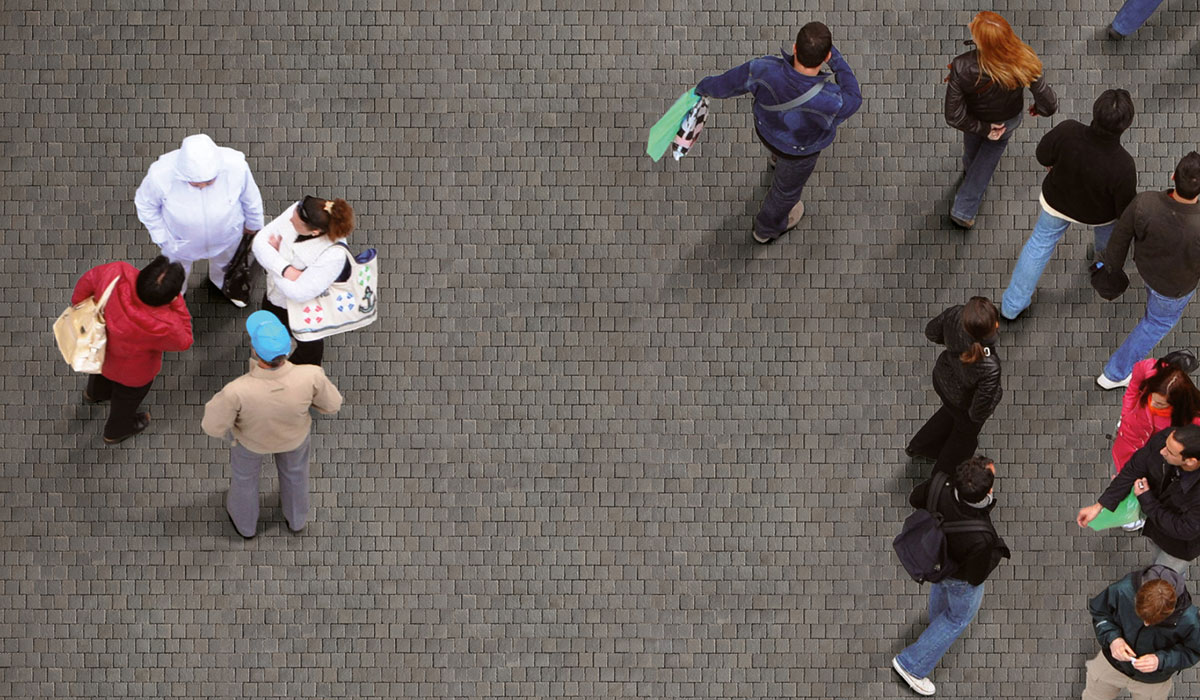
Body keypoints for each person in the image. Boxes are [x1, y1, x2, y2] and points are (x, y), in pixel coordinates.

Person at [693, 21, 861, 244]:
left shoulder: (764, 68)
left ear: (794, 48)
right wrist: (836, 60)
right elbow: (854, 98)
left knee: (777, 152)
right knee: (785, 192)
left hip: (767, 131)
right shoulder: (831, 99)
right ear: (824, 58)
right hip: (799, 152)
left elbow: (727, 83)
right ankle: (766, 229)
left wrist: (703, 87)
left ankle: (775, 159)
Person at [201, 311, 343, 539]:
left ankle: (245, 525)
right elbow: (333, 404)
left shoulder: (236, 390)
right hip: (295, 438)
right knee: (296, 475)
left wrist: (230, 431)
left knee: (245, 480)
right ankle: (296, 519)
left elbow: (212, 426)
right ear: (288, 348)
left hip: (250, 443)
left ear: (255, 351)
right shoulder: (311, 375)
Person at [1000, 89, 1137, 321]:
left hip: (1057, 202)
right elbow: (1123, 209)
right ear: (1125, 125)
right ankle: (1099, 266)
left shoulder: (1068, 130)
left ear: (1095, 111)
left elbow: (1043, 155)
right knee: (1107, 244)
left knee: (1039, 246)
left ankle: (1012, 306)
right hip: (1099, 215)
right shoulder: (1123, 165)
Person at [892, 456, 1011, 697]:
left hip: (935, 559)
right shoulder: (982, 535)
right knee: (957, 618)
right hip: (958, 576)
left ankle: (936, 628)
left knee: (941, 595)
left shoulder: (939, 484)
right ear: (987, 492)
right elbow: (976, 576)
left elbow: (916, 497)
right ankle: (911, 665)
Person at [1095, 153, 1200, 390]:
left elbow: (1119, 239)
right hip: (1175, 288)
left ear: (1173, 176)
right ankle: (1115, 373)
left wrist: (1111, 272)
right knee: (1156, 323)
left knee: (1155, 312)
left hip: (1146, 269)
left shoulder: (1145, 202)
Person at [945, 11, 1058, 230]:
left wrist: (983, 128)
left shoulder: (962, 66)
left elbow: (954, 115)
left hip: (974, 119)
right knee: (990, 153)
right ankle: (963, 205)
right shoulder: (1024, 58)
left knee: (974, 149)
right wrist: (1040, 109)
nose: (970, 28)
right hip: (1007, 119)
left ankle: (966, 200)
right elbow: (1049, 103)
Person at [71, 256, 193, 443]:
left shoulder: (116, 272)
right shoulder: (166, 323)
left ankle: (94, 394)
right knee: (126, 401)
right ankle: (115, 431)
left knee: (99, 373)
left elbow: (85, 284)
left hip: (100, 349)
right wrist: (177, 302)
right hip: (135, 373)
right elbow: (184, 341)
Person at [135, 133, 265, 302]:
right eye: (195, 184)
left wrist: (254, 224)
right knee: (175, 272)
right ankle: (175, 294)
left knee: (225, 264)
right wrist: (163, 238)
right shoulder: (160, 175)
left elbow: (251, 197)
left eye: (209, 181)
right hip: (179, 242)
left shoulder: (237, 166)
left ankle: (223, 285)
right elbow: (146, 205)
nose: (203, 186)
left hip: (227, 235)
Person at [1078, 425, 1200, 577]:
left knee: (1162, 579)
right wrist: (1099, 505)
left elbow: (1185, 529)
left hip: (1179, 547)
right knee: (1156, 558)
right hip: (1156, 528)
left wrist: (1146, 499)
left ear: (1190, 461)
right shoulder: (1167, 439)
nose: (1162, 451)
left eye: (1169, 452)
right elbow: (1134, 467)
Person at [251, 195, 355, 367]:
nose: (290, 218)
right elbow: (259, 243)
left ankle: (304, 374)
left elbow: (298, 293)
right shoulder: (300, 210)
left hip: (307, 309)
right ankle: (272, 358)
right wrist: (288, 271)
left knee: (310, 348)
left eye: (295, 222)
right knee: (271, 322)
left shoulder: (333, 255)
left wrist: (274, 265)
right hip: (275, 298)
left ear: (315, 232)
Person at [907, 297, 1003, 476]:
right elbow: (978, 410)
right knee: (961, 441)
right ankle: (939, 479)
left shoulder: (954, 314)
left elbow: (932, 332)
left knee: (947, 414)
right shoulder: (990, 366)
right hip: (964, 401)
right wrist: (971, 423)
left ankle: (920, 446)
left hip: (943, 379)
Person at [1084, 564, 1200, 699]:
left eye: (1154, 621)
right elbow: (1100, 611)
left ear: (1170, 612)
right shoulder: (1123, 589)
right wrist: (1113, 639)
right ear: (1136, 598)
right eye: (1141, 616)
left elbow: (1194, 651)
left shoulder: (1190, 619)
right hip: (1112, 662)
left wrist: (1160, 660)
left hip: (1153, 680)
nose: (1146, 624)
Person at [1114, 356, 1200, 473]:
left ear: (1177, 403)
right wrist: (1125, 414)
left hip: (1156, 462)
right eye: (1151, 397)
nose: (1152, 404)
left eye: (1160, 404)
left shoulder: (1193, 418)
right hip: (1126, 444)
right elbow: (1134, 386)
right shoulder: (1152, 370)